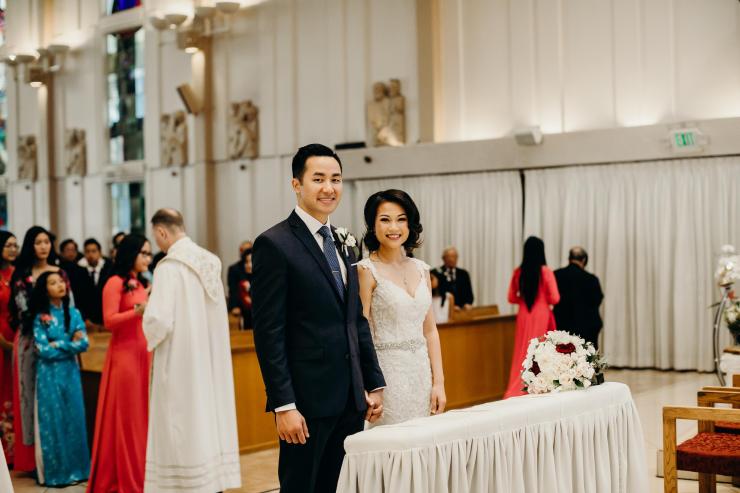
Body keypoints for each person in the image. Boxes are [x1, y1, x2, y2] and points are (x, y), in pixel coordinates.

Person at [252, 143, 385, 493]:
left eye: (336, 179)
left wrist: (372, 382)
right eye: (319, 179)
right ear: (297, 184)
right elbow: (269, 333)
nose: (329, 188)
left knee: (339, 486)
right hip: (306, 402)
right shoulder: (274, 244)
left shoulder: (345, 243)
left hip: (350, 399)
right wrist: (284, 405)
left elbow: (355, 320)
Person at [143, 209, 241, 493]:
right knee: (208, 417)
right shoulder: (211, 261)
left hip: (180, 362)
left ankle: (185, 484)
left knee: (181, 422)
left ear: (162, 232)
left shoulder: (168, 267)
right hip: (209, 358)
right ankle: (212, 482)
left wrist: (146, 315)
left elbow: (159, 320)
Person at [357, 189, 446, 426]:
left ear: (410, 224)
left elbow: (430, 331)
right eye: (385, 220)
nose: (394, 227)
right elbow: (360, 332)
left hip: (421, 373)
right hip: (387, 376)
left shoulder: (422, 269)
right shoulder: (366, 270)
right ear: (373, 226)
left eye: (401, 219)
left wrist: (439, 382)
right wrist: (368, 384)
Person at [87, 234, 152, 493]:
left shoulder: (139, 282)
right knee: (128, 416)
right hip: (124, 355)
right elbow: (109, 320)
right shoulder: (114, 282)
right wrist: (137, 311)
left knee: (141, 415)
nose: (148, 258)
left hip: (143, 352)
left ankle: (142, 473)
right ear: (131, 254)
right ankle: (125, 476)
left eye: (149, 253)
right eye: (144, 253)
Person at [9, 226, 65, 473]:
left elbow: (68, 306)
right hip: (30, 340)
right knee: (29, 396)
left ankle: (58, 454)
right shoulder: (22, 275)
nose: (43, 246)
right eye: (38, 242)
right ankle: (33, 460)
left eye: (47, 242)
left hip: (58, 340)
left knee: (57, 395)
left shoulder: (60, 272)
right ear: (30, 245)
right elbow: (22, 310)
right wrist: (44, 327)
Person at [30, 271, 90, 486]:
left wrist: (58, 343)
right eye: (53, 283)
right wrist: (69, 343)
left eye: (61, 281)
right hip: (48, 375)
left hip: (70, 373)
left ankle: (79, 471)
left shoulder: (74, 313)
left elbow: (84, 344)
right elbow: (42, 350)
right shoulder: (40, 318)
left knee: (75, 418)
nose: (60, 285)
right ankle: (58, 474)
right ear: (45, 290)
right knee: (53, 420)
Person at [504, 236, 560, 399]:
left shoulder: (518, 272)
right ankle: (540, 385)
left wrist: (522, 300)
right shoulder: (546, 272)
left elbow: (511, 298)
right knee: (541, 350)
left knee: (522, 350)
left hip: (524, 314)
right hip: (541, 313)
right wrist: (543, 299)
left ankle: (518, 385)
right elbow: (555, 298)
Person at [553, 247, 604, 349]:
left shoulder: (556, 275)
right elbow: (597, 300)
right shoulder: (591, 279)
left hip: (562, 326)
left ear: (569, 259)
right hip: (586, 329)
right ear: (584, 260)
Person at [0, 231, 17, 465]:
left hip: (17, 335)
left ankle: (14, 451)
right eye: (8, 245)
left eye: (15, 245)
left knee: (14, 390)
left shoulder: (18, 273)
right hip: (1, 337)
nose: (13, 249)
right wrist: (3, 342)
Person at [81, 238, 114, 330]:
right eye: (87, 251)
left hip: (105, 317)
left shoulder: (109, 269)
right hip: (88, 320)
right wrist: (85, 318)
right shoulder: (79, 271)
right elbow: (78, 298)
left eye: (94, 251)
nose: (90, 255)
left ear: (100, 253)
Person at [228, 247, 253, 329]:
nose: (249, 265)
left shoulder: (263, 276)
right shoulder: (240, 278)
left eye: (251, 262)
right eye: (246, 262)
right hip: (245, 312)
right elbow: (233, 291)